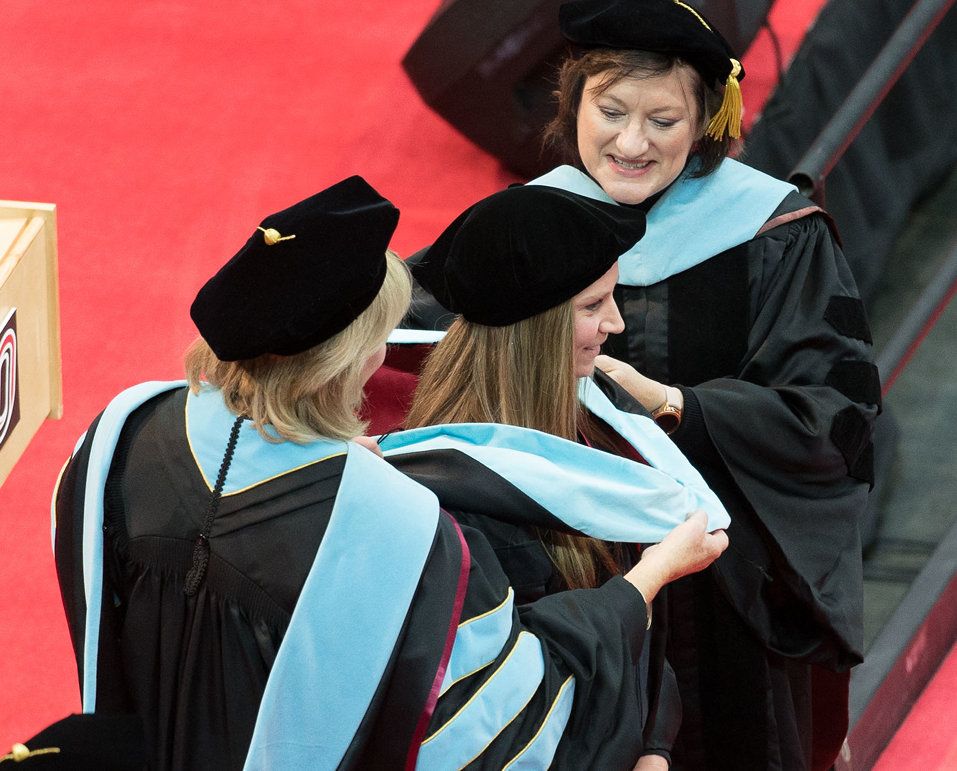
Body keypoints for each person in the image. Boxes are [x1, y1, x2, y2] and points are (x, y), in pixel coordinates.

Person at [52, 176, 726, 771]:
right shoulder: (393, 527)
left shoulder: (125, 431)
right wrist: (644, 584)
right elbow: (494, 723)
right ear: (347, 360)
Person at [406, 0, 881, 770]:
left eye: (663, 120)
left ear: (705, 124)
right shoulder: (527, 226)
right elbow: (413, 350)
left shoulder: (771, 235)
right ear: (571, 106)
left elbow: (833, 416)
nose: (632, 143)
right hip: (570, 576)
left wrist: (677, 407)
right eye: (611, 112)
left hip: (724, 581)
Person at [393, 184, 732, 771]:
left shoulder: (598, 412)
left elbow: (640, 638)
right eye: (593, 306)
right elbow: (512, 690)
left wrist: (653, 743)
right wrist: (651, 577)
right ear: (535, 327)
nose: (618, 324)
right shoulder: (453, 492)